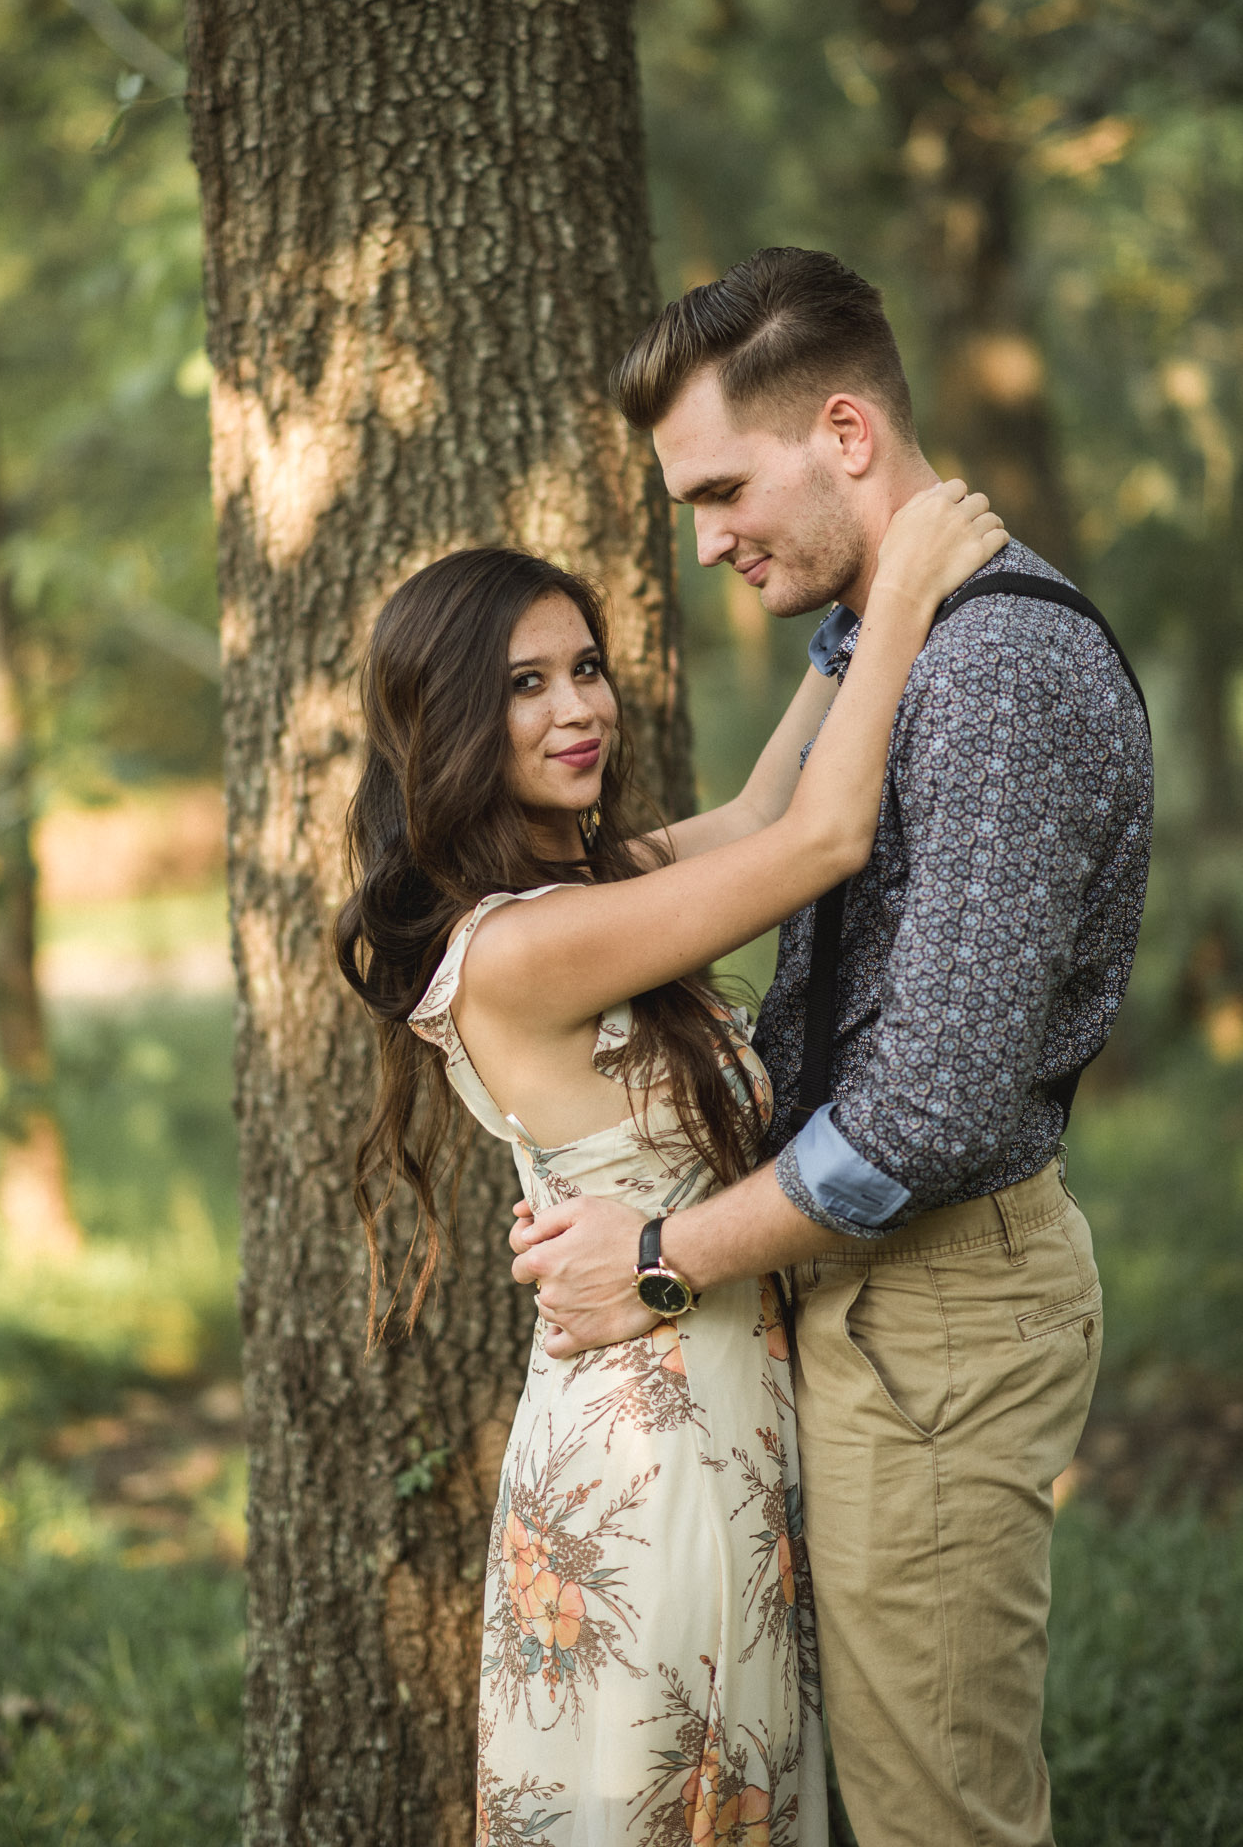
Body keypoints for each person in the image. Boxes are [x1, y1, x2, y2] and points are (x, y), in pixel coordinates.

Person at [510, 248, 1154, 1847]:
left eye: (725, 488)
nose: (709, 538)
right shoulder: (900, 648)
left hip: (936, 1313)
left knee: (940, 1817)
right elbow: (770, 830)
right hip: (853, 1307)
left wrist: (659, 1260)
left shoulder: (996, 669)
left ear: (848, 433)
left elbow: (926, 1115)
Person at [335, 492, 1007, 1847]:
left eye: (586, 668)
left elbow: (766, 802)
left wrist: (854, 618)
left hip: (701, 1407)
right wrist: (919, 580)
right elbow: (820, 841)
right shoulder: (523, 949)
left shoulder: (577, 897)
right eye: (526, 684)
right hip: (655, 1467)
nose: (578, 706)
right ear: (451, 720)